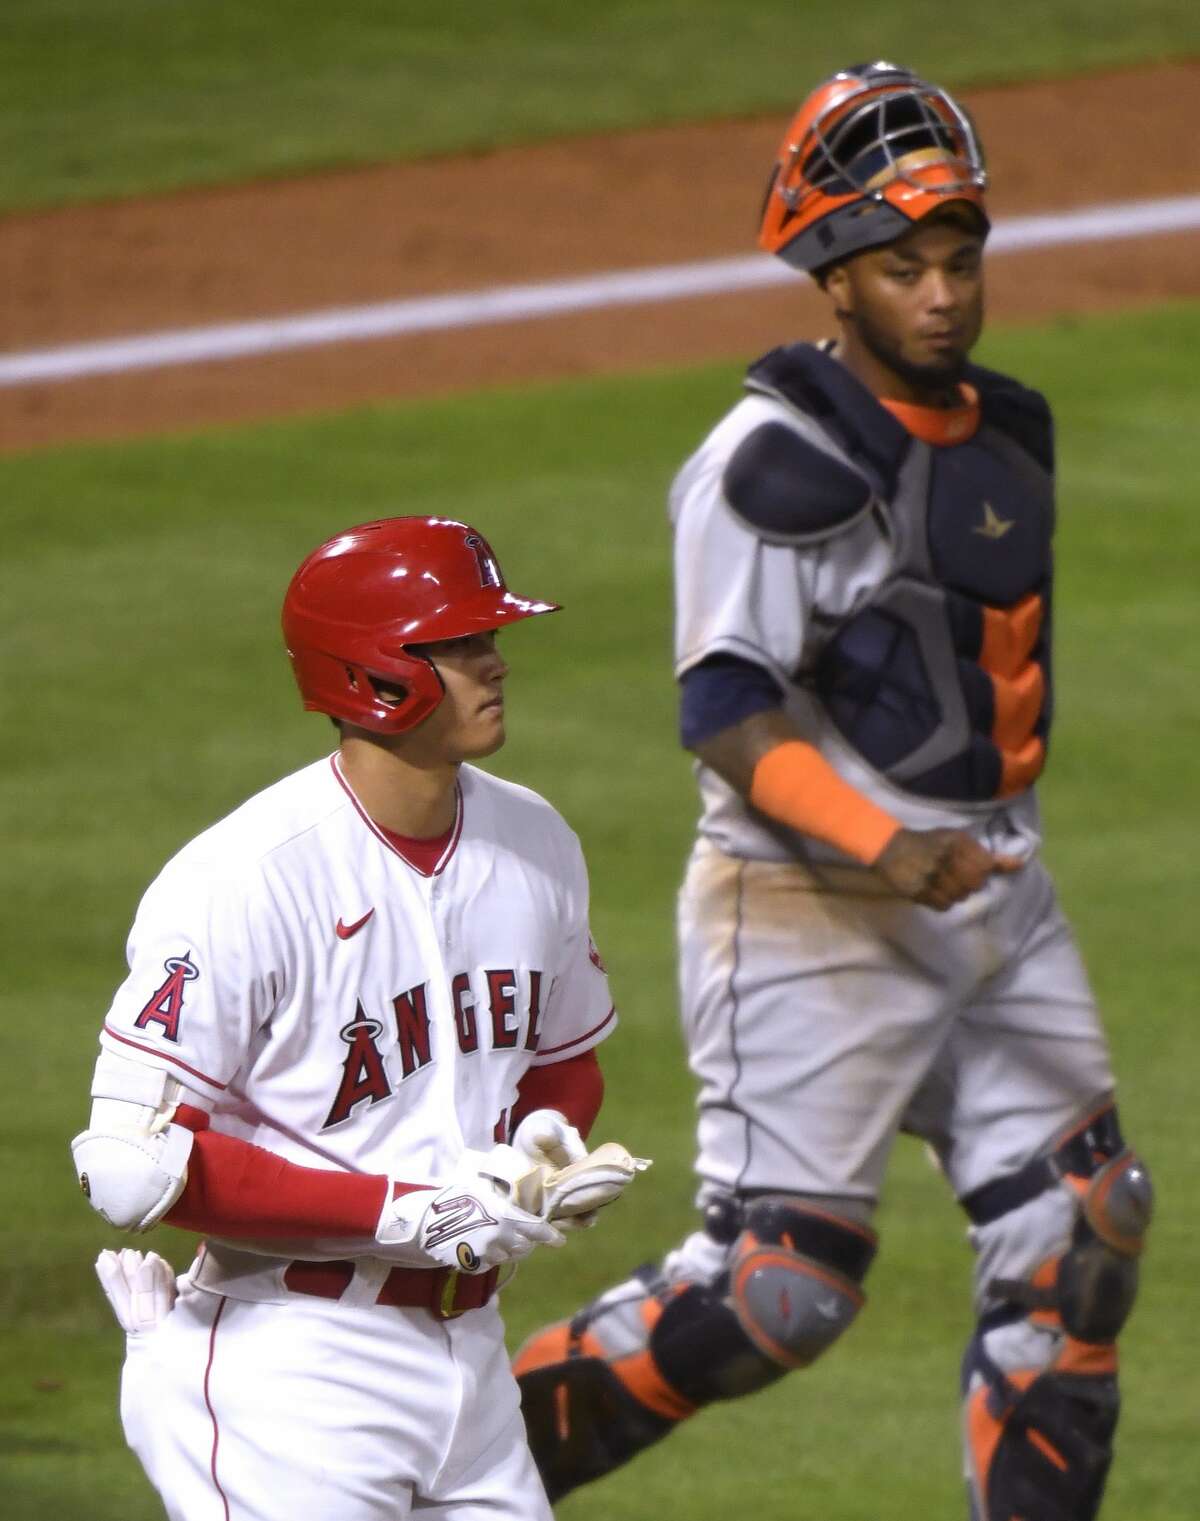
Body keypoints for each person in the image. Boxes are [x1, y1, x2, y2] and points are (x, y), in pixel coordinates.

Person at [513, 63, 1152, 1521]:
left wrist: (956, 857)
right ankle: (430, 1481)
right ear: (831, 276)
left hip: (994, 897)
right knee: (774, 1292)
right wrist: (887, 842)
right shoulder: (768, 464)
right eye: (900, 268)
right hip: (811, 905)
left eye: (959, 259)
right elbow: (725, 712)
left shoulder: (1009, 434)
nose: (941, 295)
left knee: (1084, 1229)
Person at [71, 515, 642, 1521]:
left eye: (490, 639)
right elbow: (130, 1165)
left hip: (472, 1367)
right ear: (372, 674)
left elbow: (561, 1060)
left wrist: (537, 1155)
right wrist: (406, 1215)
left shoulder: (535, 839)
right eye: (459, 645)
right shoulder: (247, 879)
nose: (495, 663)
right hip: (292, 1369)